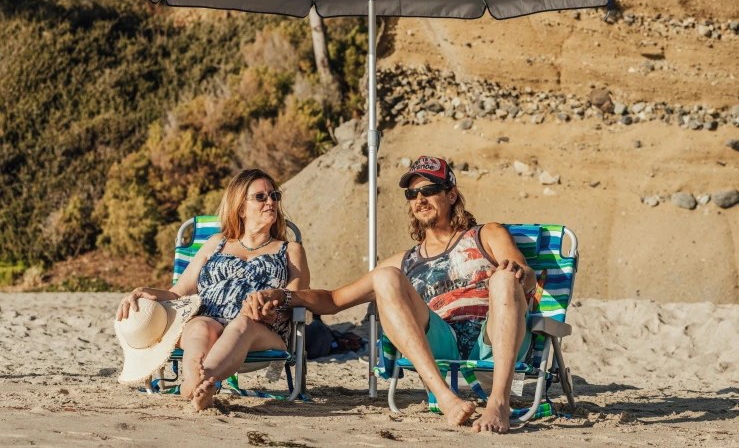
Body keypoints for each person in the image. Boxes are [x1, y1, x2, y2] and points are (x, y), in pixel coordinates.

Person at [243, 156, 536, 433]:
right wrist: (282, 295)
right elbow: (334, 300)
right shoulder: (405, 260)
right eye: (412, 194)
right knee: (385, 277)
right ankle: (445, 397)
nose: (419, 199)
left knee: (505, 278)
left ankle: (499, 401)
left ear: (451, 195)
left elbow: (526, 277)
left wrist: (517, 272)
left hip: (494, 338)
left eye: (429, 190)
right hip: (442, 341)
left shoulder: (486, 234)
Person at [116, 169, 310, 410]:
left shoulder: (290, 250)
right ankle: (198, 382)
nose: (270, 201)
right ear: (241, 208)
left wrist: (276, 314)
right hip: (208, 324)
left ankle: (200, 380)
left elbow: (298, 300)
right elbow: (179, 293)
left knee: (242, 324)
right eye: (260, 197)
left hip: (260, 331)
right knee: (199, 325)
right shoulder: (216, 243)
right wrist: (144, 290)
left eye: (274, 195)